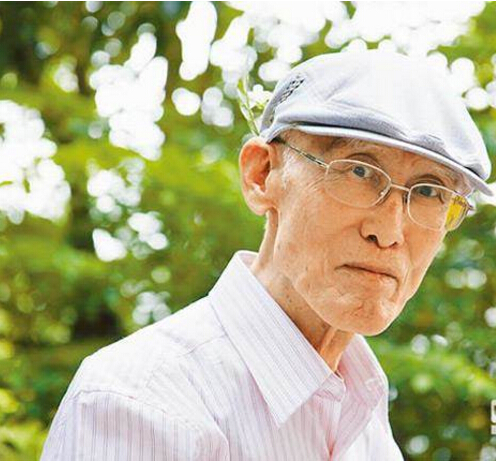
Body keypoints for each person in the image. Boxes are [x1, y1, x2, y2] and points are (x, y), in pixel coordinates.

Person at [41, 51, 493, 460]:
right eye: (358, 171)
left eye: (430, 191)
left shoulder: (365, 412)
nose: (389, 232)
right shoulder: (141, 404)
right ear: (262, 175)